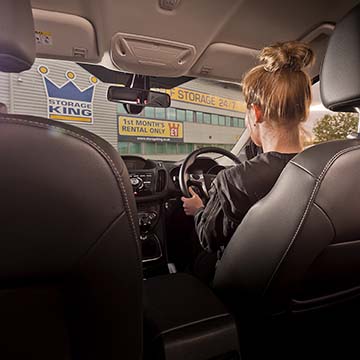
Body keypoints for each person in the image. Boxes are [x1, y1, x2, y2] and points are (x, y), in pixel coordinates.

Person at [181, 41, 314, 280]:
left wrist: (199, 209)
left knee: (197, 260)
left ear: (256, 112)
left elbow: (208, 238)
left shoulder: (234, 181)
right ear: (303, 111)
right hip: (301, 285)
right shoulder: (325, 169)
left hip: (245, 291)